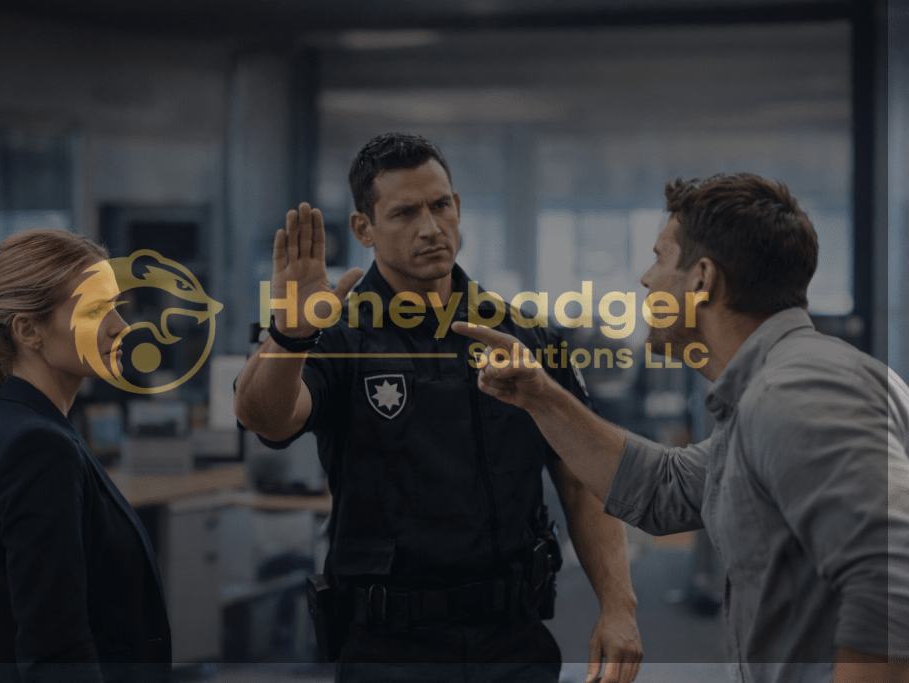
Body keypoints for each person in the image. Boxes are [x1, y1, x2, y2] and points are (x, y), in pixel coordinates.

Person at [453, 173, 909, 683]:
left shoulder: (799, 389)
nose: (646, 279)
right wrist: (539, 396)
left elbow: (892, 577)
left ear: (701, 278)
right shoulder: (775, 388)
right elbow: (664, 487)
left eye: (660, 258)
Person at [234, 133, 642, 683]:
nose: (430, 227)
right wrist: (289, 335)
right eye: (404, 212)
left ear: (457, 208)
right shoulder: (341, 335)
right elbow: (266, 416)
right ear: (365, 230)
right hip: (391, 647)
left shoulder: (521, 334)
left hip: (513, 640)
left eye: (440, 205)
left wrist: (618, 605)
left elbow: (582, 476)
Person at [0, 229, 172, 683]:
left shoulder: (3, 422)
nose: (121, 325)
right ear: (28, 331)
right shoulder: (36, 446)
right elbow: (56, 649)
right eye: (98, 310)